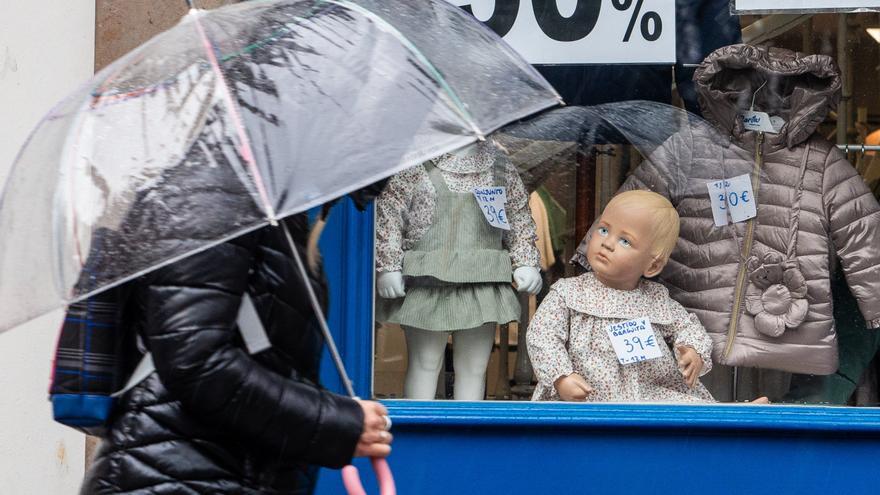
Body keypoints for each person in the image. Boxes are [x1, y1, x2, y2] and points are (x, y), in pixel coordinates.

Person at [80, 213, 392, 495]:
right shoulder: (216, 195)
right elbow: (196, 362)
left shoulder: (274, 210)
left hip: (218, 474)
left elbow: (267, 361)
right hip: (177, 475)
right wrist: (336, 423)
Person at [528, 191, 768, 403]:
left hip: (647, 395)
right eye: (603, 229)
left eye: (625, 241)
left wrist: (692, 351)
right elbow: (542, 335)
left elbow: (688, 326)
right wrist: (561, 376)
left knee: (685, 408)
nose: (607, 243)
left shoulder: (655, 299)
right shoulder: (568, 293)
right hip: (587, 395)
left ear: (652, 266)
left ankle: (729, 421)